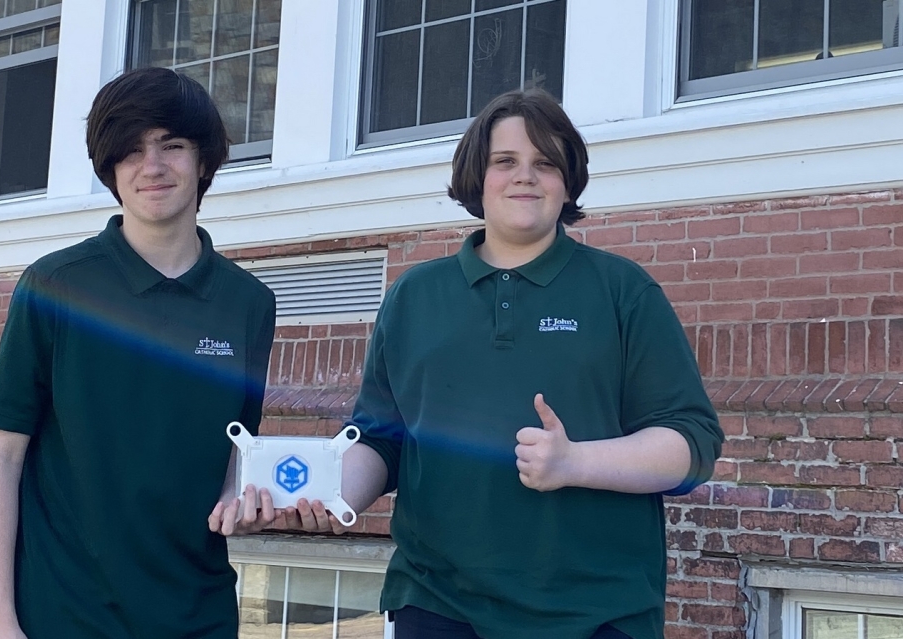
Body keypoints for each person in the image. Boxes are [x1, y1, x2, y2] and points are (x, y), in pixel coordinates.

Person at [287, 90, 724, 639]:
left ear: (568, 183)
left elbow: (693, 446)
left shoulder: (622, 291)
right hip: (439, 605)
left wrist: (574, 463)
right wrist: (332, 494)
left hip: (598, 613)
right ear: (478, 175)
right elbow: (382, 439)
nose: (526, 177)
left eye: (546, 163)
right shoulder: (415, 296)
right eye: (505, 161)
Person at [0, 68, 277, 639]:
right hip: (66, 615)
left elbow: (238, 447)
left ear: (204, 160)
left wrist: (243, 491)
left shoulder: (249, 304)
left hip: (197, 615)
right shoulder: (55, 285)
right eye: (131, 151)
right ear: (109, 168)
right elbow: (0, 456)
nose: (152, 166)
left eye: (172, 145)